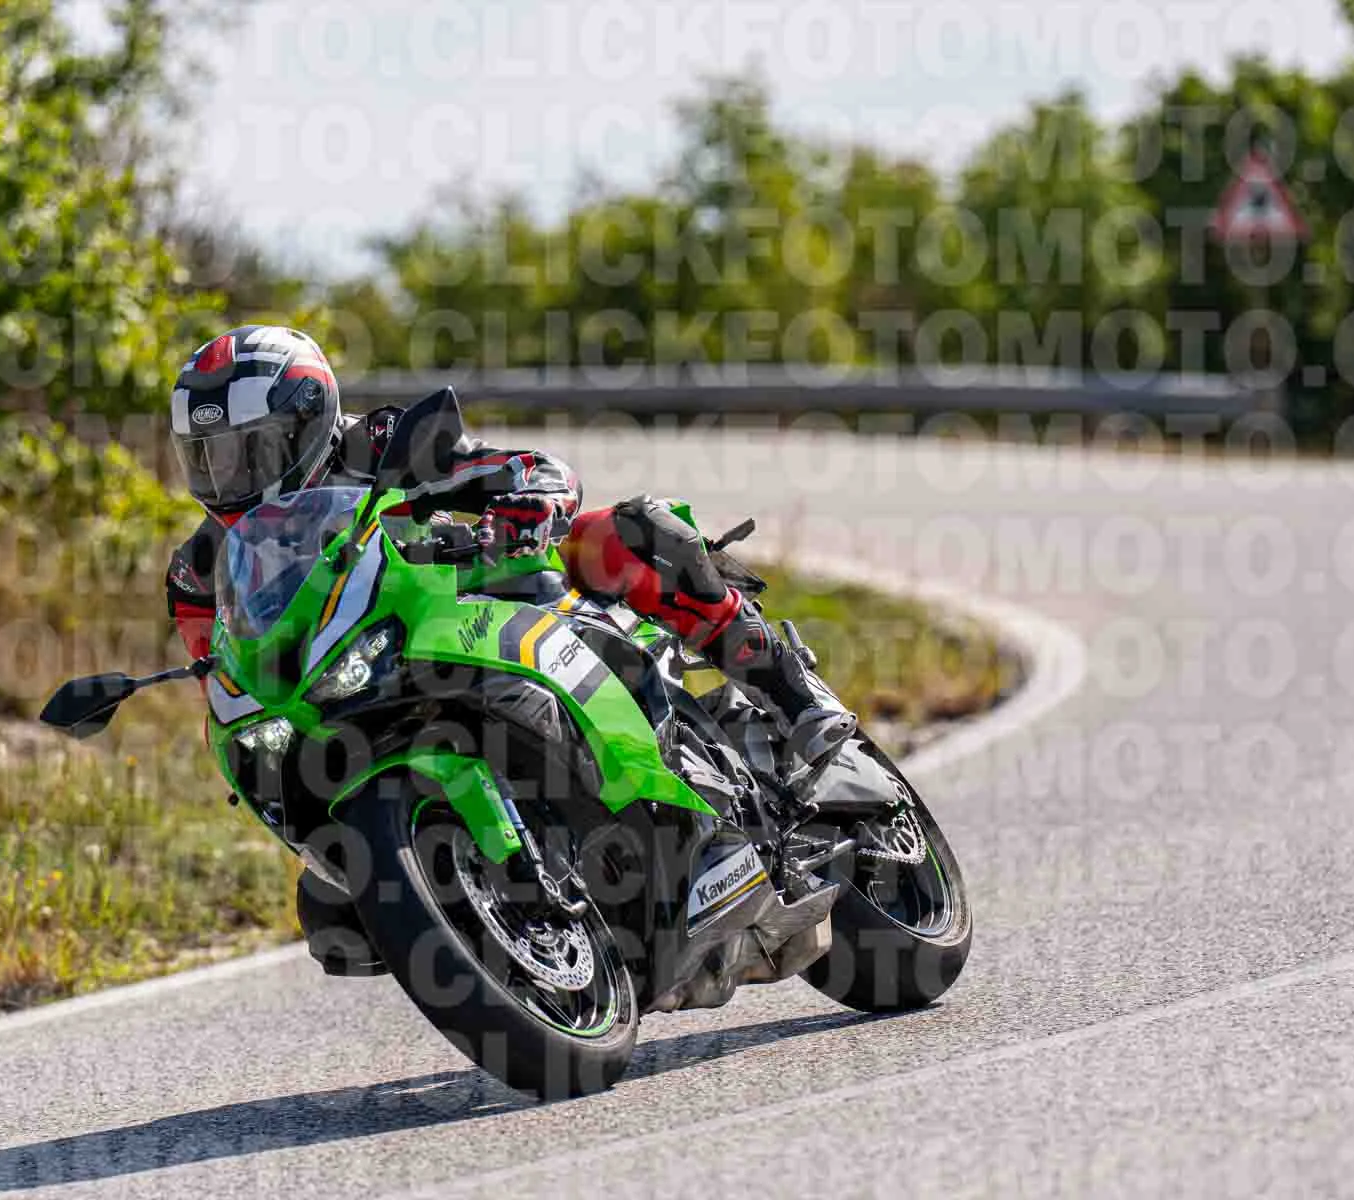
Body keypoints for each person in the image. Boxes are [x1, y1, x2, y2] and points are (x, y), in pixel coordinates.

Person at [164, 325, 856, 970]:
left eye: (250, 450)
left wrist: (530, 502)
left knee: (627, 533)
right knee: (330, 908)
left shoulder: (382, 444)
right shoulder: (200, 569)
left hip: (489, 597)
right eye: (207, 458)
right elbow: (227, 670)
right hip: (362, 676)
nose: (229, 478)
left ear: (310, 418)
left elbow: (530, 467)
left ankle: (794, 696)